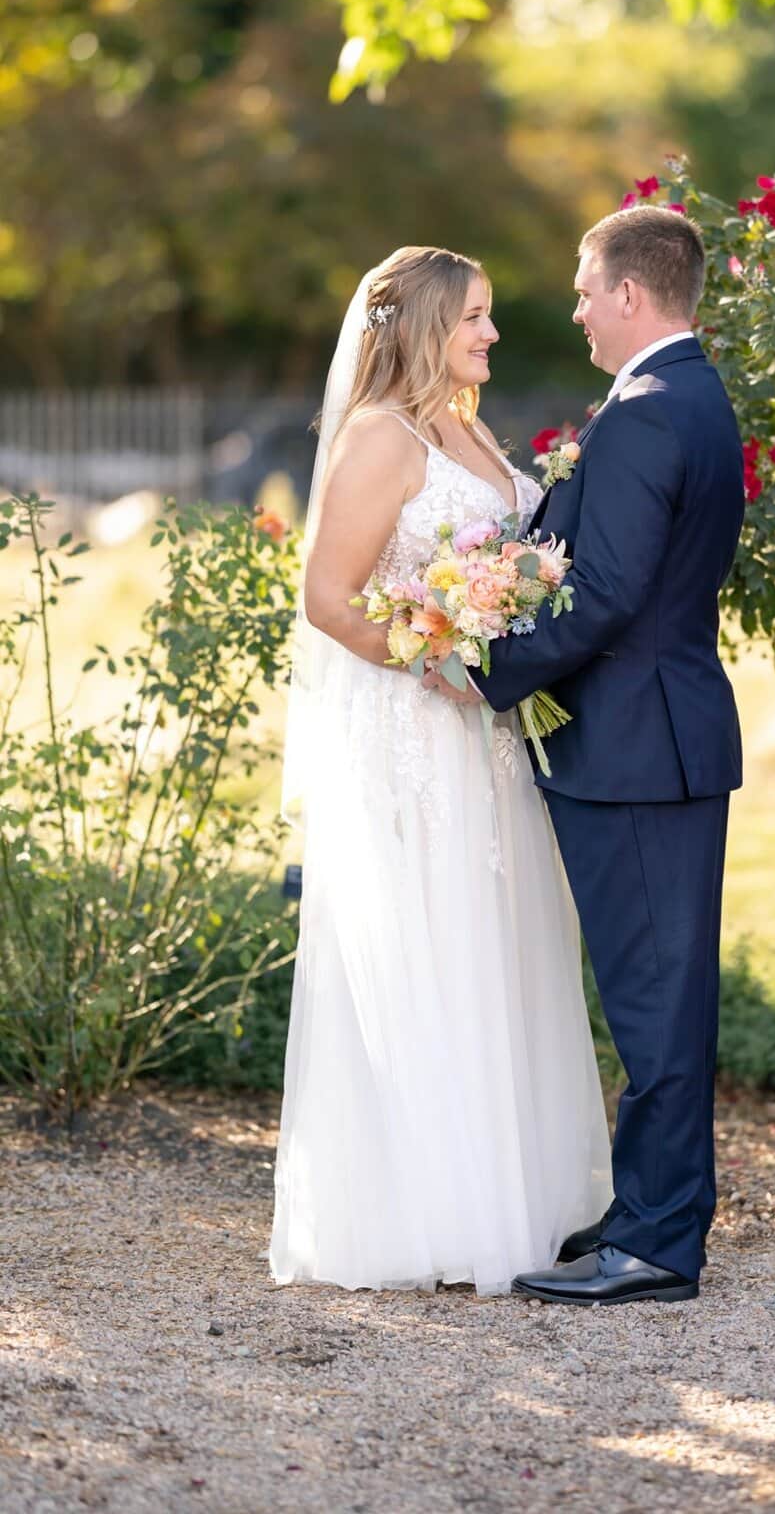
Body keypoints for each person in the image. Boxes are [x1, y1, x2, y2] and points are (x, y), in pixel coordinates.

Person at [269, 245, 611, 1295]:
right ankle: (429, 1215)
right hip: (417, 732)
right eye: (475, 316)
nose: (493, 334)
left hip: (491, 739)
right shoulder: (379, 438)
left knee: (501, 947)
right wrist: (438, 661)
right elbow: (331, 600)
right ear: (420, 325)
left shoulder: (465, 426)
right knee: (430, 946)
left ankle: (527, 1200)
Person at [428, 205, 745, 1305]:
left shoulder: (649, 413)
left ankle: (655, 1245)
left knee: (654, 1002)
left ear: (629, 294)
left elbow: (604, 594)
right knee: (658, 995)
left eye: (580, 288)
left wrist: (486, 671)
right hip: (655, 742)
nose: (570, 310)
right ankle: (651, 1212)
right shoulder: (686, 398)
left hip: (636, 751)